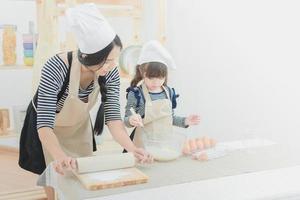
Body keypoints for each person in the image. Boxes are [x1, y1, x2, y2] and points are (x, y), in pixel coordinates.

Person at [18, 4, 152, 199]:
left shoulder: (111, 72)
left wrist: (133, 149)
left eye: (115, 59)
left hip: (78, 128)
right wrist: (60, 157)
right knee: (56, 183)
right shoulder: (56, 67)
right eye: (107, 61)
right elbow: (45, 125)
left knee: (81, 183)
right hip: (47, 130)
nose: (113, 66)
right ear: (88, 58)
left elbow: (114, 120)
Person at [123, 40, 200, 148]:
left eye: (160, 78)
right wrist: (131, 120)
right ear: (142, 72)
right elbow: (126, 120)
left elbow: (170, 118)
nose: (156, 82)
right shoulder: (136, 93)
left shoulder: (168, 92)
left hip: (165, 145)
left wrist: (185, 121)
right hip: (143, 147)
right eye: (151, 77)